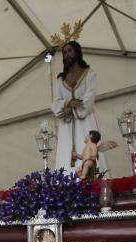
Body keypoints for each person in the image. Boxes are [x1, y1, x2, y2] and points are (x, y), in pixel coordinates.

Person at [51, 41, 106, 175]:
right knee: (65, 154)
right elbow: (55, 103)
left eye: (70, 51)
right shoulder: (60, 80)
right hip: (66, 125)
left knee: (89, 149)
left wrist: (73, 110)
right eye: (64, 52)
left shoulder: (89, 73)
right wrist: (68, 104)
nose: (67, 54)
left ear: (77, 52)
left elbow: (89, 98)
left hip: (85, 121)